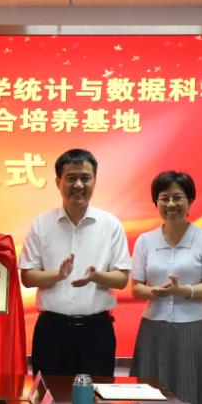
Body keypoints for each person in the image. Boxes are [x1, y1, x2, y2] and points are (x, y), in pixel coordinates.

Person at [19, 148, 131, 377]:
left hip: (96, 332)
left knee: (96, 396)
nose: (79, 185)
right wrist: (58, 276)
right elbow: (28, 277)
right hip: (52, 331)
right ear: (58, 182)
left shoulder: (111, 225)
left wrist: (96, 276)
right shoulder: (41, 224)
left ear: (94, 181)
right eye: (71, 178)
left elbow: (121, 279)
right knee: (49, 396)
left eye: (85, 178)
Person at [129, 171, 202, 404]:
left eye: (178, 197)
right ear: (156, 202)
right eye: (164, 198)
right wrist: (156, 292)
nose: (171, 204)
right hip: (153, 329)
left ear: (190, 201)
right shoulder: (145, 241)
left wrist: (181, 290)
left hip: (193, 330)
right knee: (150, 394)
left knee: (192, 393)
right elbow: (136, 288)